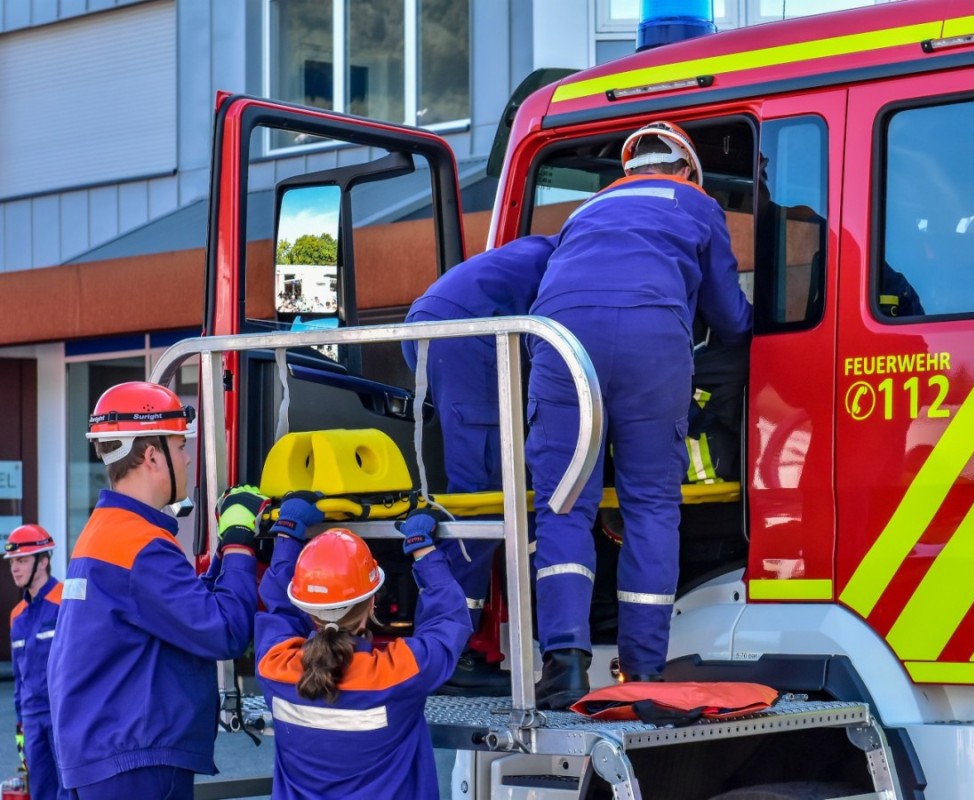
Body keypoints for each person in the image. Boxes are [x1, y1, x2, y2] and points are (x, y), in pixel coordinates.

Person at [527, 120, 753, 708]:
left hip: (559, 339)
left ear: (628, 170)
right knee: (651, 505)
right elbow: (730, 318)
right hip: (652, 343)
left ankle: (565, 666)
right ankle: (645, 671)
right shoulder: (697, 205)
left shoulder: (585, 211)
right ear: (686, 170)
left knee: (562, 506)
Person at [47, 381, 262, 799]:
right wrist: (238, 542)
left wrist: (224, 558)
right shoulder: (142, 547)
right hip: (135, 761)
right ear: (151, 456)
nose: (185, 458)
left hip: (101, 757)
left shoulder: (106, 532)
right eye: (180, 446)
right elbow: (224, 632)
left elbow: (177, 610)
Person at [401, 234, 556, 695]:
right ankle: (449, 653)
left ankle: (463, 642)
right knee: (483, 496)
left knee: (503, 494)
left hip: (452, 329)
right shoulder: (576, 257)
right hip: (461, 334)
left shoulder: (552, 249)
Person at [255, 500, 471, 800]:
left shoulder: (275, 669)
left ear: (307, 609)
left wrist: (287, 535)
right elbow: (447, 622)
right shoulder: (395, 673)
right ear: (372, 603)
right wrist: (422, 549)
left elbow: (278, 610)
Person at [6, 525, 66, 800]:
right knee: (40, 792)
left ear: (43, 561)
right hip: (31, 721)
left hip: (62, 716)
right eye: (13, 562)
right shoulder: (16, 616)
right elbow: (19, 678)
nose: (14, 569)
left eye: (22, 560)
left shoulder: (66, 602)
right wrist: (21, 731)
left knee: (69, 791)